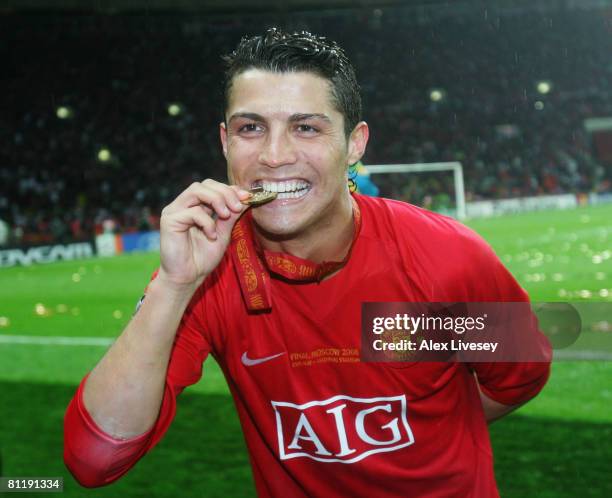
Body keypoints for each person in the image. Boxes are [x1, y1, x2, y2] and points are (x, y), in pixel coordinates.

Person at [63, 28, 551, 497]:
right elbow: (94, 460)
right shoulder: (207, 273)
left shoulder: (447, 258)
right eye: (251, 128)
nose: (275, 156)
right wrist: (173, 285)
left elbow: (520, 375)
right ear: (225, 142)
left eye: (306, 127)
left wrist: (433, 430)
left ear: (355, 143)